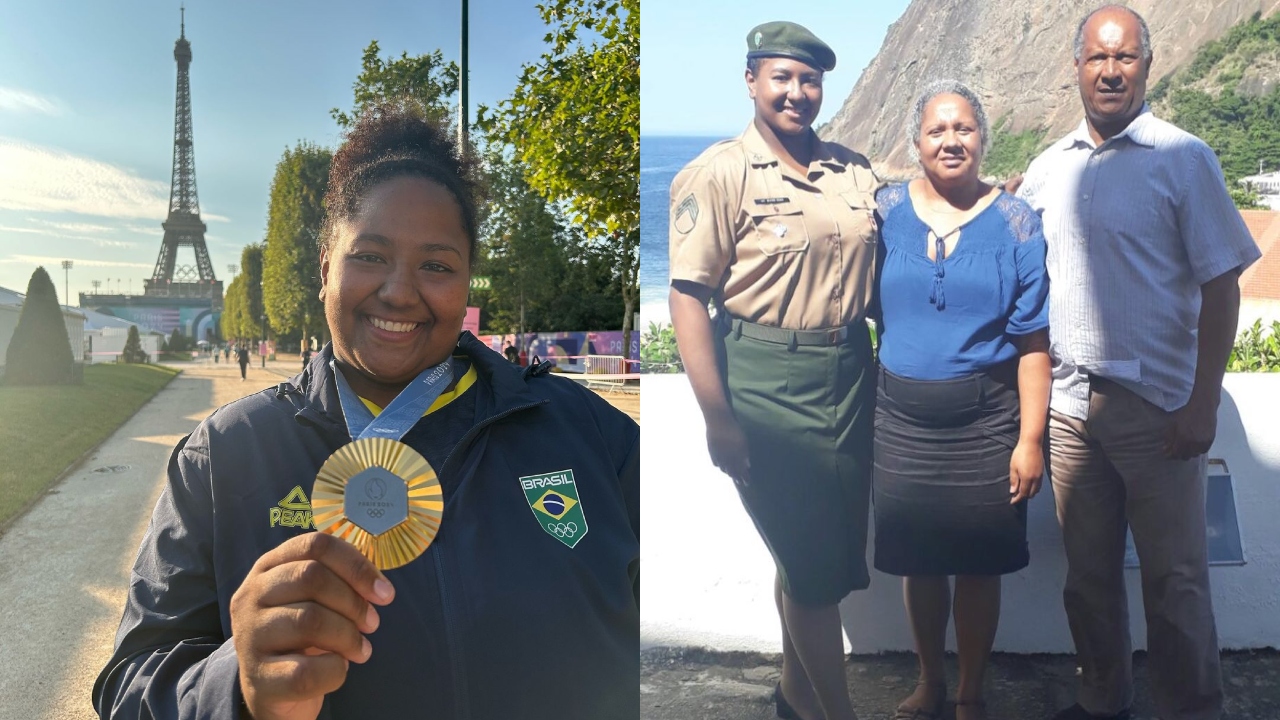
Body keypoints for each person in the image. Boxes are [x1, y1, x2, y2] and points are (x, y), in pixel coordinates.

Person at [93, 100, 640, 720]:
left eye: (436, 265)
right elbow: (128, 689)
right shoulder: (223, 457)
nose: (400, 292)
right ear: (324, 267)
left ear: (465, 284)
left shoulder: (595, 437)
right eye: (370, 255)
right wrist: (236, 687)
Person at [1015, 7, 1262, 720]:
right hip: (1066, 408)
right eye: (1097, 58)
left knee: (1176, 580)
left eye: (1125, 58)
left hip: (1156, 408)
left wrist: (1202, 402)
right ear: (1077, 68)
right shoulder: (1046, 167)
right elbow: (1020, 256)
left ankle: (1190, 709)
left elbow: (1222, 283)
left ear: (1147, 67)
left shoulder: (1184, 158)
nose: (1111, 71)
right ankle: (1103, 702)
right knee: (1086, 579)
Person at [668, 21, 878, 720]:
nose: (797, 92)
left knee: (816, 557)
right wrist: (718, 417)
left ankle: (793, 695)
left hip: (849, 375)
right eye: (781, 77)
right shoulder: (720, 172)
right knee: (813, 569)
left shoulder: (853, 169)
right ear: (752, 80)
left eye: (809, 80)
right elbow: (688, 296)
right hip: (765, 382)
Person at [871, 80, 1050, 720]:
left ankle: (971, 692)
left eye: (964, 129)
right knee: (920, 563)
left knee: (978, 565)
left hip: (988, 420)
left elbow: (1033, 341)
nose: (952, 140)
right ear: (916, 143)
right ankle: (930, 683)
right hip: (900, 419)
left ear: (982, 138)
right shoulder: (885, 212)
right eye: (937, 131)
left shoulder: (1016, 220)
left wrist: (1030, 440)